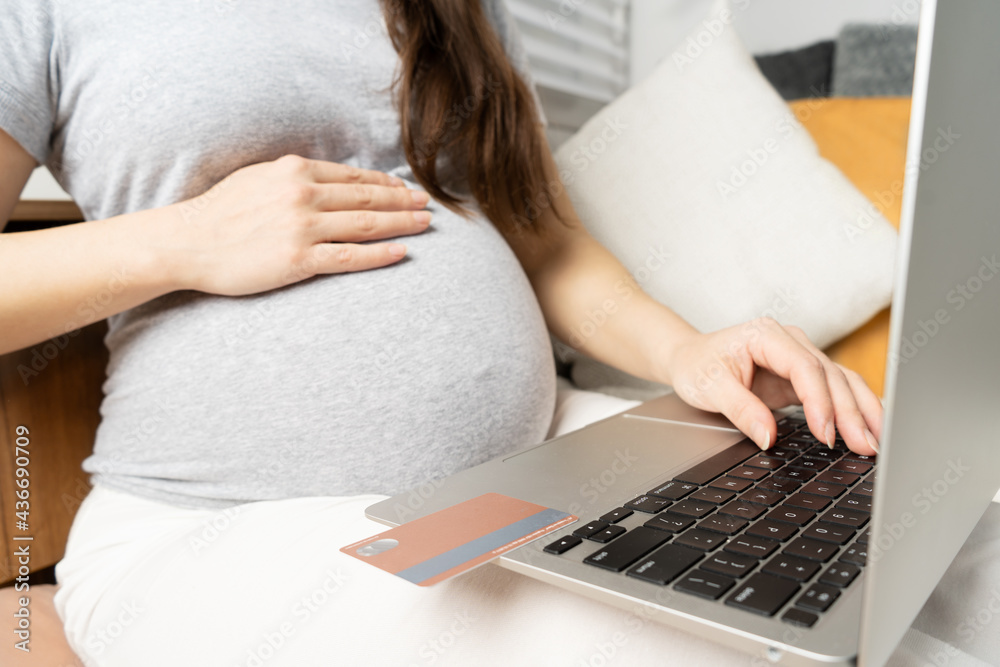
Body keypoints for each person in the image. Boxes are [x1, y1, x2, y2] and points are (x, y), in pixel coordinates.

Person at [0, 1, 889, 664]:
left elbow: (543, 238)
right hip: (228, 522)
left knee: (886, 544)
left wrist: (685, 352)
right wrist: (184, 240)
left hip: (534, 460)